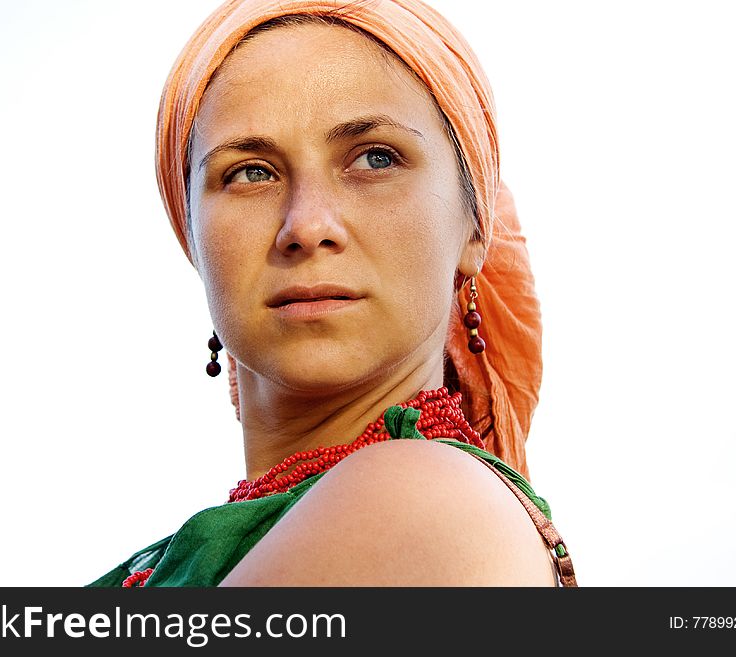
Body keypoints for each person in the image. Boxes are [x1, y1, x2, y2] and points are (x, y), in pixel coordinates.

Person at [89, 0, 577, 587]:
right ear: (191, 234)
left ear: (475, 227)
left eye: (375, 158)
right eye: (250, 172)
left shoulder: (425, 503)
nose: (306, 225)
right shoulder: (201, 550)